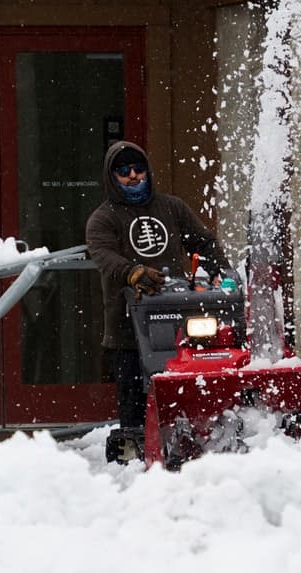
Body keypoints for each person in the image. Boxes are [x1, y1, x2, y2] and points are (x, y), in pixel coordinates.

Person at [86, 141, 231, 462]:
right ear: (112, 176)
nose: (134, 176)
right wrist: (132, 272)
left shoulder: (172, 207)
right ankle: (136, 448)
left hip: (179, 316)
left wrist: (222, 270)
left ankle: (192, 436)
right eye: (124, 172)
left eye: (138, 169)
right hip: (129, 321)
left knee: (184, 380)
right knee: (133, 391)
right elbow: (104, 256)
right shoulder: (103, 218)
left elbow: (203, 241)